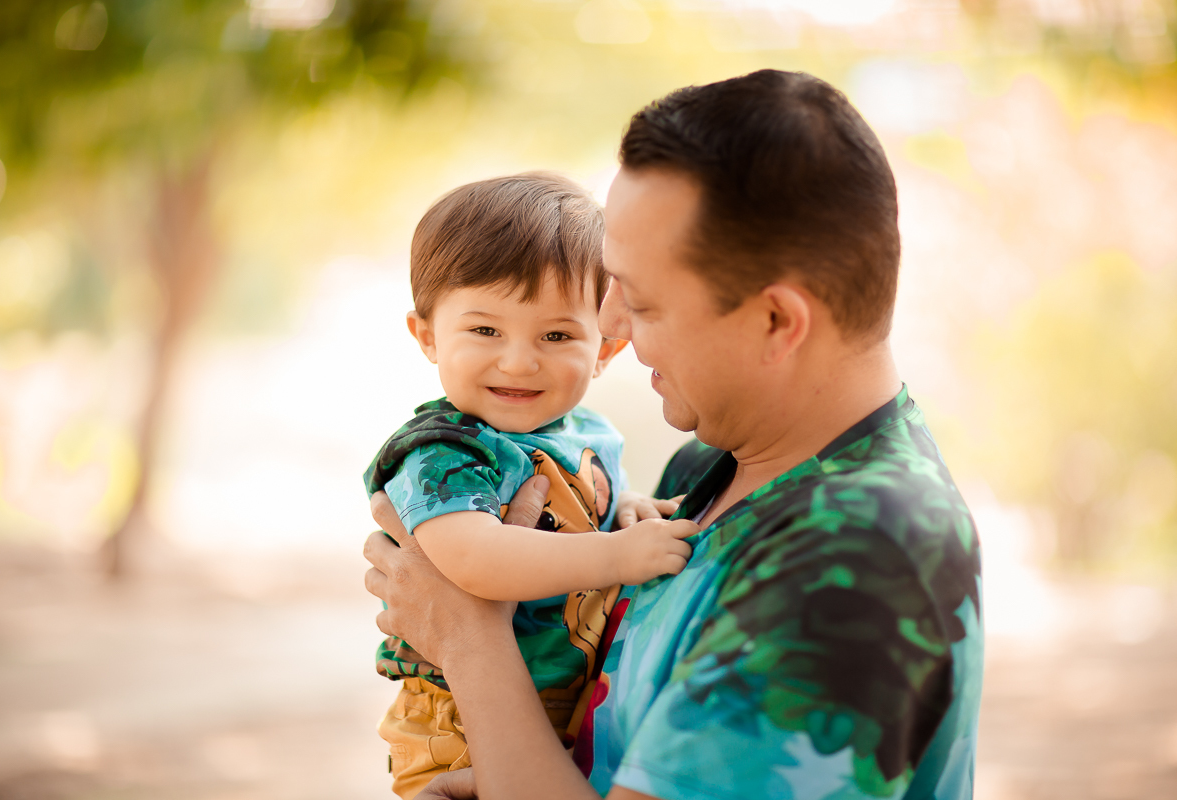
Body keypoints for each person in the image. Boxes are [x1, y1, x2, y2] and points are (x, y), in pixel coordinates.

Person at [364, 69, 984, 800]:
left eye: (644, 304)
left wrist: (468, 638)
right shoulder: (707, 468)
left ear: (776, 321)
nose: (613, 332)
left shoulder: (857, 563)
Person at [363, 172, 699, 800]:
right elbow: (474, 560)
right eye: (485, 331)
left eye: (556, 335)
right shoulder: (447, 452)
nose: (519, 361)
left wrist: (624, 507)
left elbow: (579, 510)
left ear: (606, 348)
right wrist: (618, 555)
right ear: (428, 336)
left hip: (555, 710)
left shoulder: (586, 434)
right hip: (458, 726)